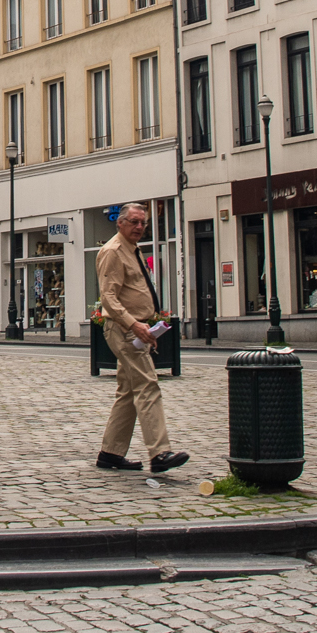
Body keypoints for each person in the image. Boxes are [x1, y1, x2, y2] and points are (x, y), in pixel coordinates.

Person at [94, 202, 188, 474]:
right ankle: (159, 453)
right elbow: (108, 297)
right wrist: (134, 324)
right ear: (120, 223)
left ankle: (110, 453)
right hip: (123, 330)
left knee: (128, 391)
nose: (139, 227)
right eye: (134, 222)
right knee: (147, 384)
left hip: (137, 329)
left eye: (143, 223)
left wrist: (148, 324)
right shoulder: (113, 251)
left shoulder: (132, 250)